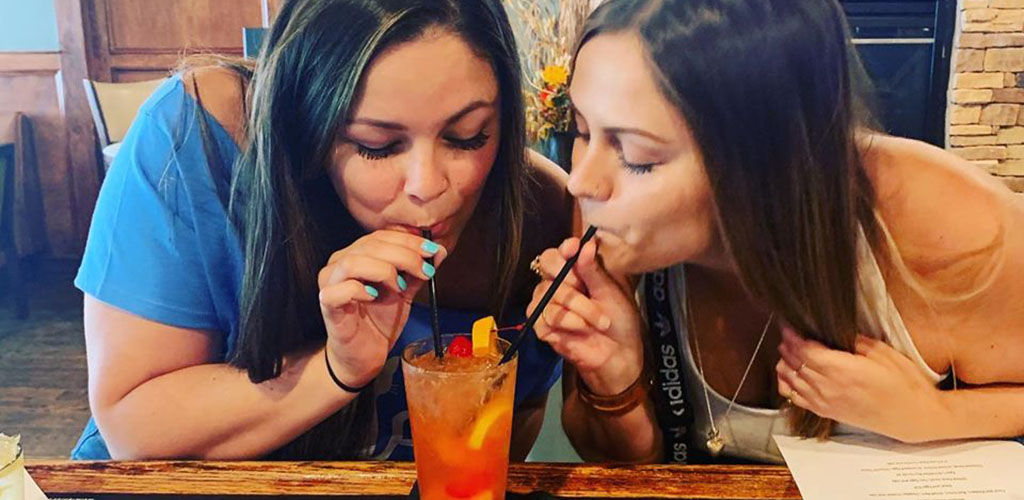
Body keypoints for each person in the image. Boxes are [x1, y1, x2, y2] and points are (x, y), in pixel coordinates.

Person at [71, 0, 570, 461]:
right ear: (305, 124)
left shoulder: (542, 212)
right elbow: (133, 429)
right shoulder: (201, 136)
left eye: (468, 136)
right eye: (376, 145)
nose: (429, 185)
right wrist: (333, 369)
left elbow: (511, 428)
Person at [529, 0, 1024, 464]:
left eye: (636, 157)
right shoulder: (608, 230)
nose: (581, 181)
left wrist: (933, 417)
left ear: (764, 160)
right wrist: (616, 384)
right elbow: (626, 467)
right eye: (582, 130)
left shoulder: (937, 220)